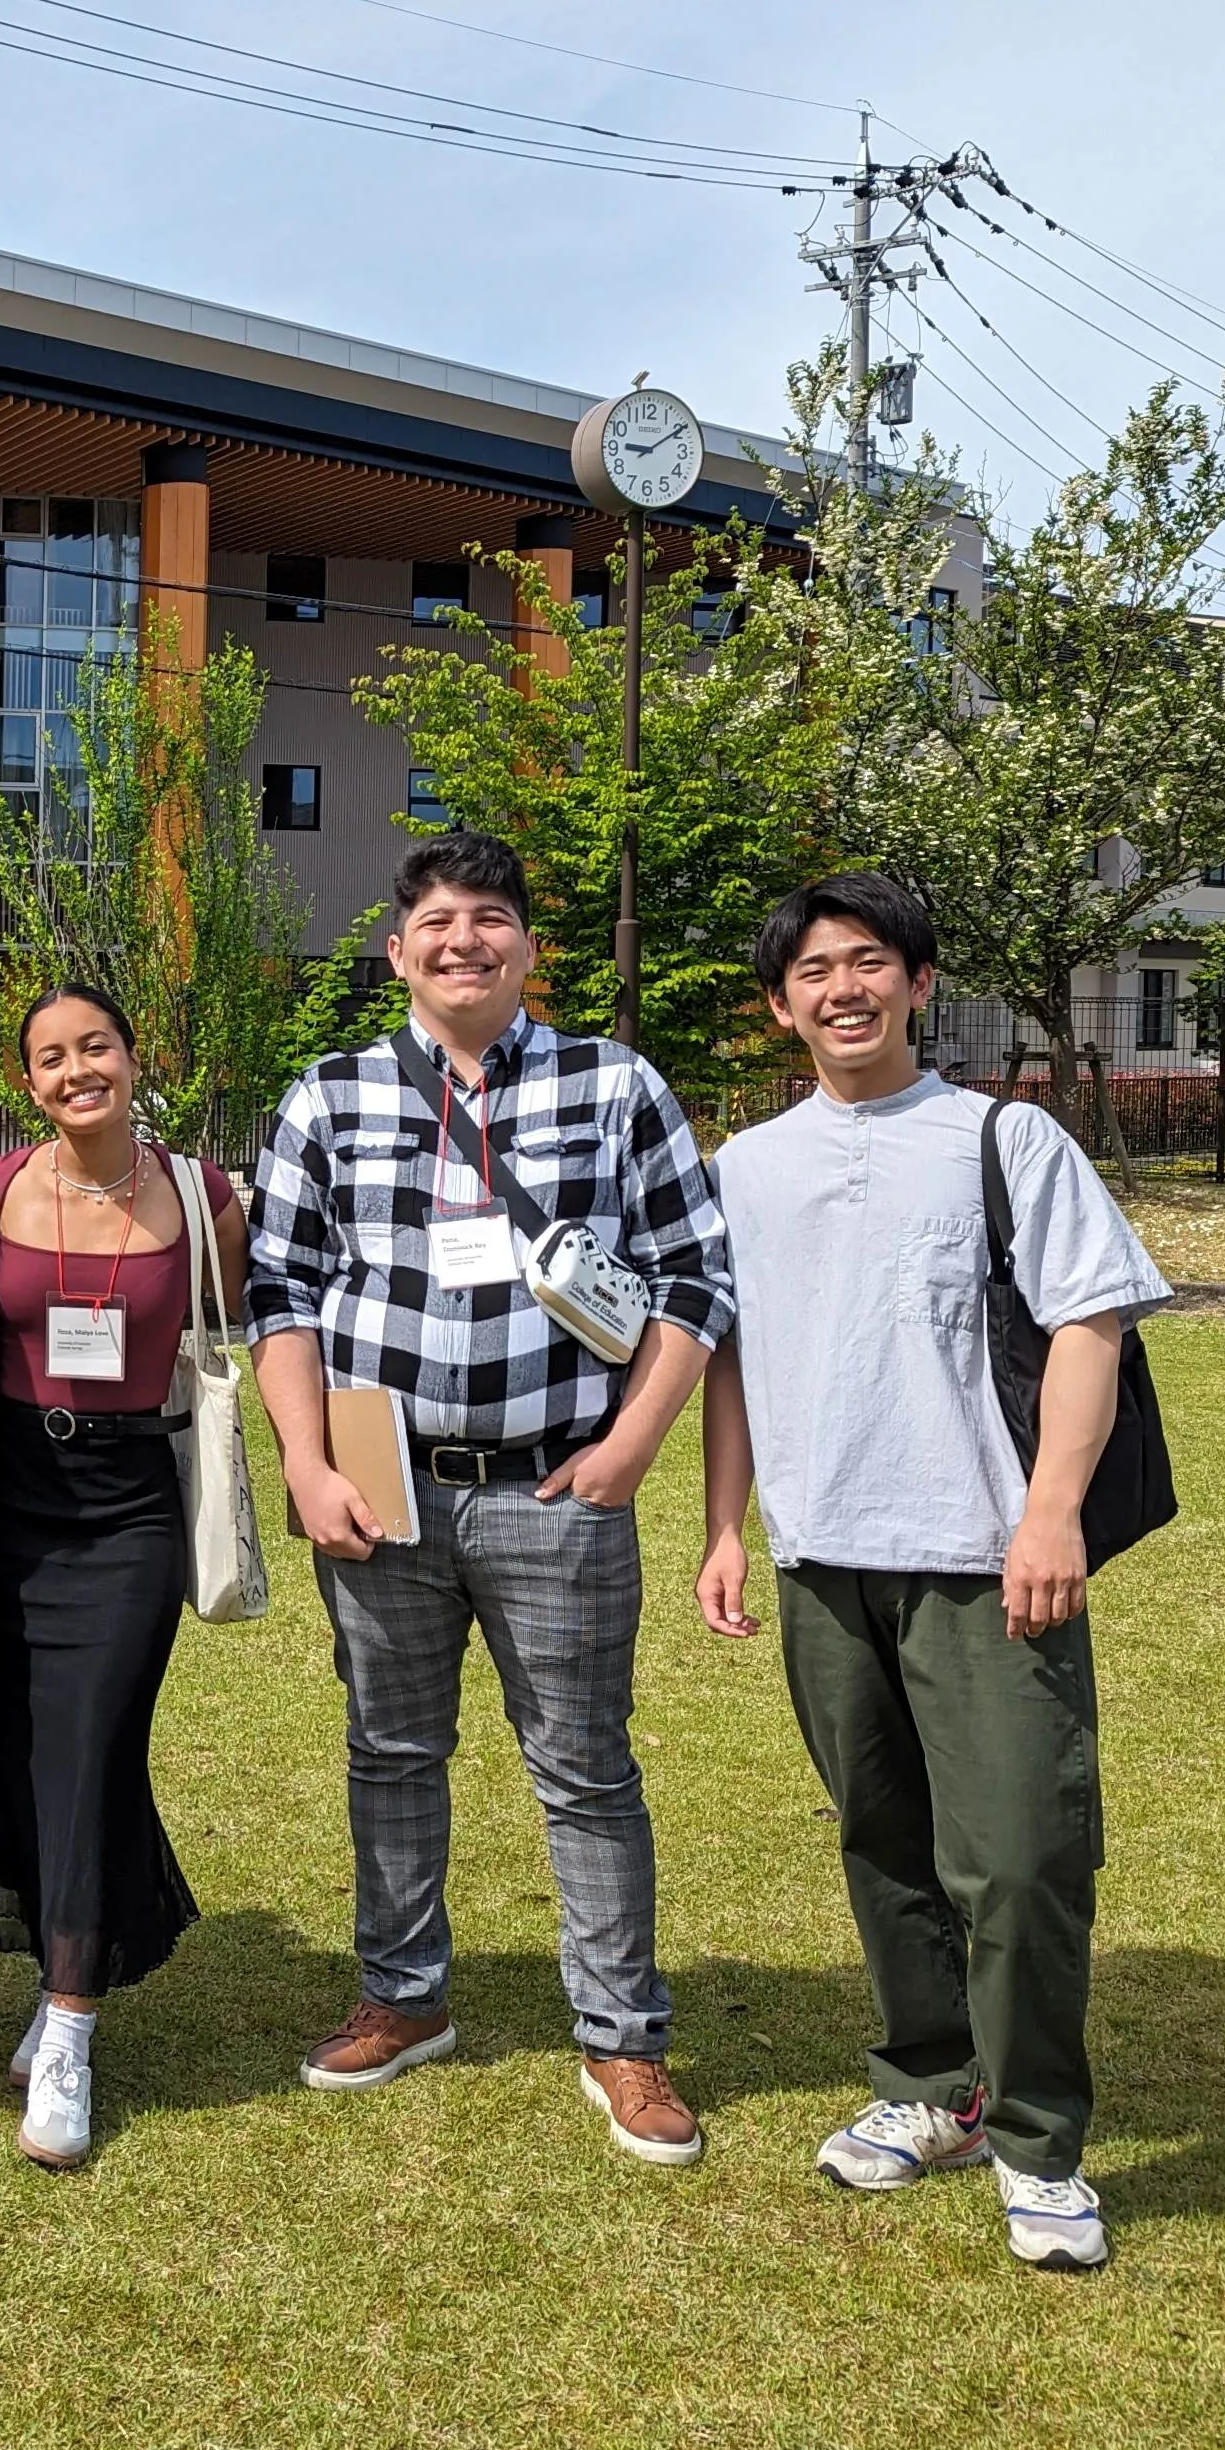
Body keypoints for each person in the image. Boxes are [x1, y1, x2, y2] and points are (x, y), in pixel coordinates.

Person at [697, 874, 1161, 2273]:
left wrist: (1052, 1515)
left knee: (1019, 1855)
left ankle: (1037, 2143)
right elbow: (728, 1360)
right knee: (884, 1843)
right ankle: (932, 2085)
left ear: (913, 980)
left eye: (867, 964)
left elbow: (1090, 1325)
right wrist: (727, 1524)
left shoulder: (1002, 1140)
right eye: (813, 973)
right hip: (823, 1556)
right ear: (781, 1007)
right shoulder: (747, 1167)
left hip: (983, 1556)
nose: (842, 990)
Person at [248, 831, 733, 2164]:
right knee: (389, 1753)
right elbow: (279, 1293)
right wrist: (304, 1462)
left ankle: (623, 2037)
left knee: (584, 1767)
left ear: (529, 946)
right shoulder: (329, 1097)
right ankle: (402, 1999)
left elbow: (695, 1281)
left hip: (556, 1490)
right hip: (381, 1488)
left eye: (492, 919)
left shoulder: (614, 1084)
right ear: (397, 950)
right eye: (438, 923)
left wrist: (634, 1448)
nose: (465, 940)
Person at [0, 984, 243, 2169]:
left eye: (97, 1048)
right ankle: (62, 1966)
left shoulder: (200, 1192)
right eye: (51, 1058)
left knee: (96, 1742)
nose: (79, 1070)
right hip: (15, 1497)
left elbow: (239, 1326)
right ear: (27, 1082)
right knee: (25, 1747)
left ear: (134, 1058)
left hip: (130, 1503)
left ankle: (71, 2024)